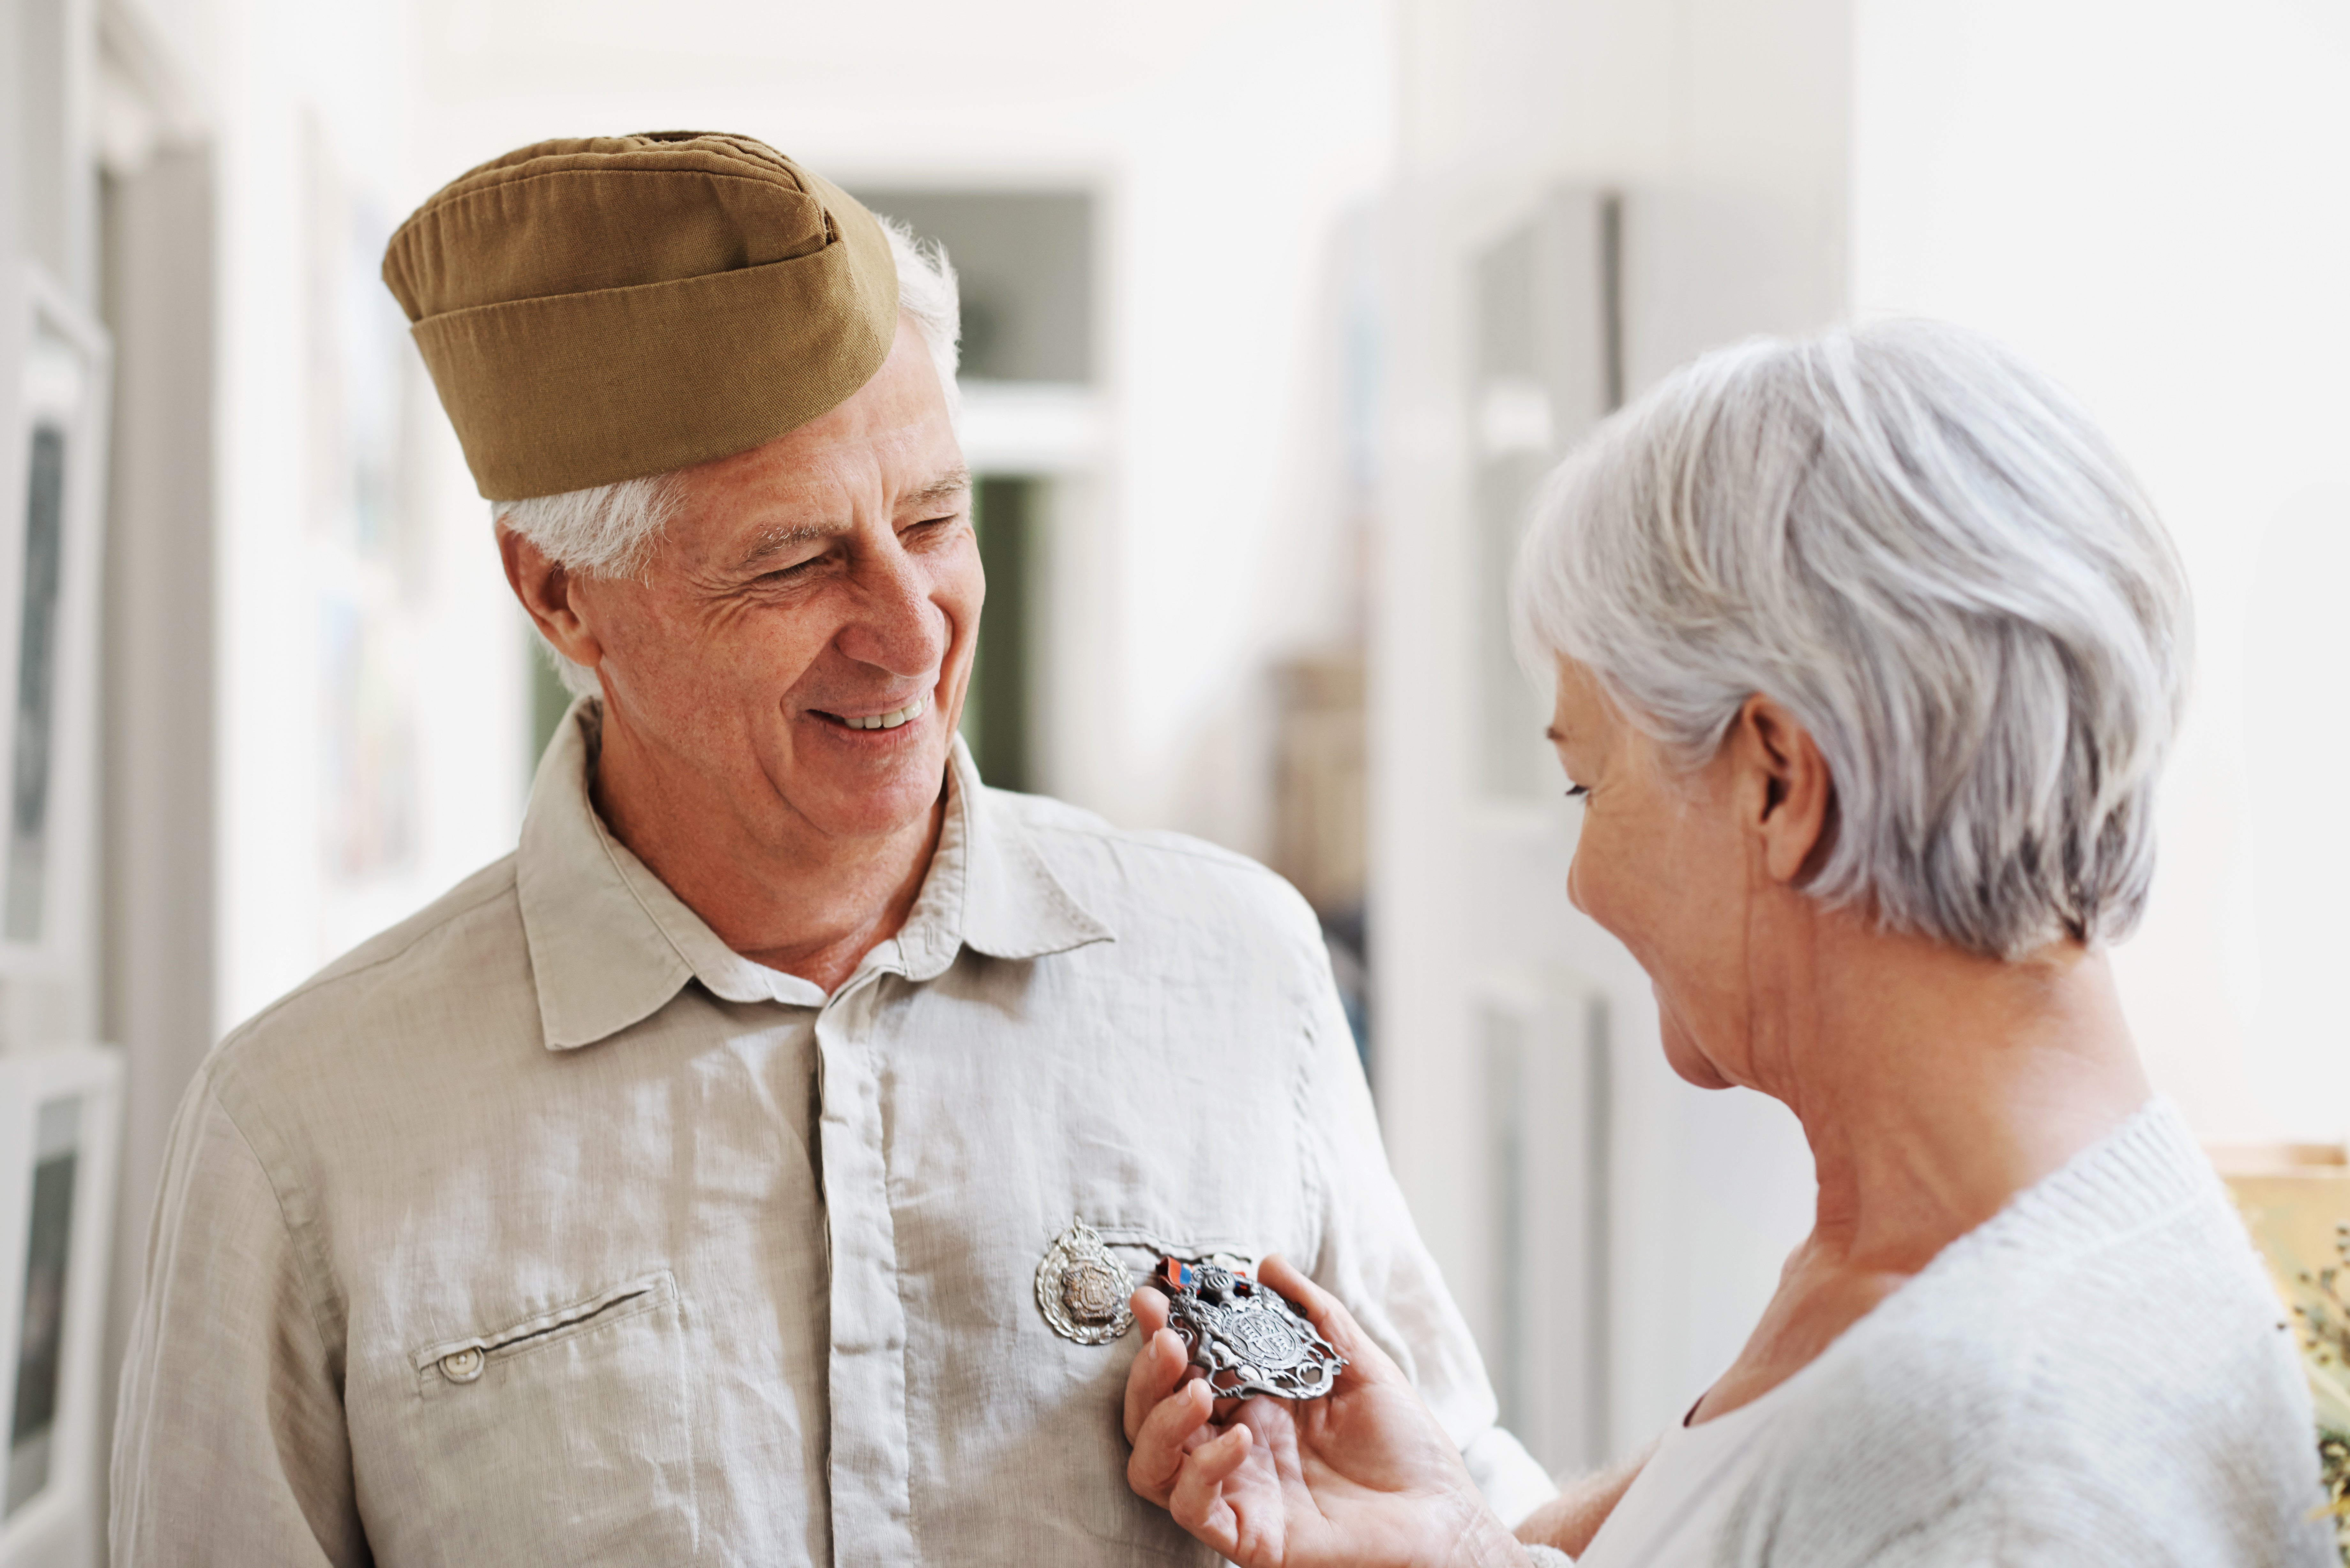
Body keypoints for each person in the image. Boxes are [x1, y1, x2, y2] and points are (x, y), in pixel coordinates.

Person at [109, 132, 1551, 1565]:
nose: (913, 629)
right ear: (559, 596)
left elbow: (1461, 1493)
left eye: (933, 518)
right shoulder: (301, 1131)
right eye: (796, 560)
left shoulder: (1242, 971)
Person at [1124, 319, 2333, 1566]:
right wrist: (1462, 1544)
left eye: (1589, 784)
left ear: (1775, 782)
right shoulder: (1961, 1255)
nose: (1584, 884)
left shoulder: (1982, 1455)